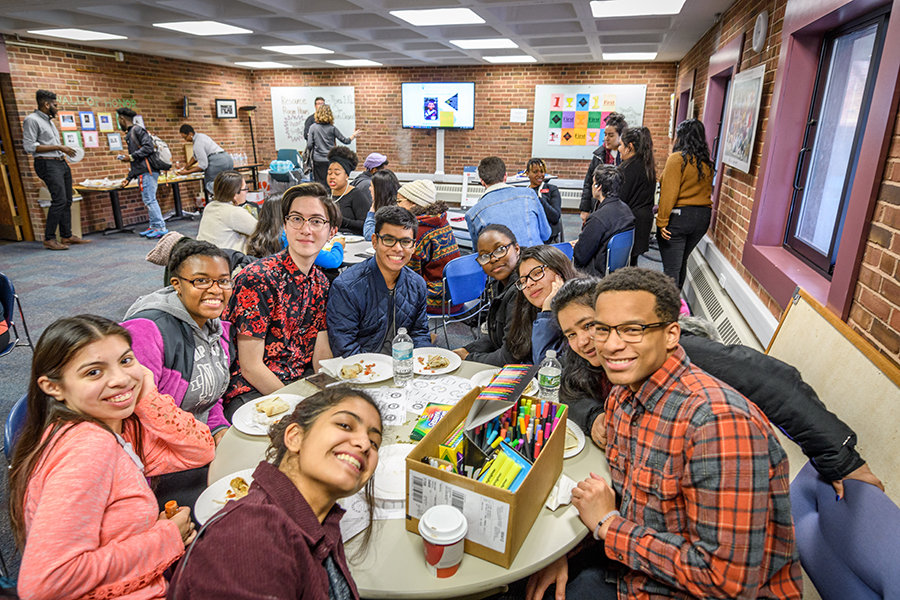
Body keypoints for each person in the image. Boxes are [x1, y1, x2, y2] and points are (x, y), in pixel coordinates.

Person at [527, 267, 803, 600]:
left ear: (672, 335)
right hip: (636, 566)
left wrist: (609, 527)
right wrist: (566, 551)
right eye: (601, 329)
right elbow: (629, 501)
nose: (610, 345)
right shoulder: (623, 397)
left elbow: (725, 583)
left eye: (632, 329)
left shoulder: (718, 425)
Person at [552, 277, 885, 496]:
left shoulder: (680, 353)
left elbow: (773, 383)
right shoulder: (586, 353)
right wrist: (595, 415)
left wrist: (842, 462)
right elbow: (569, 394)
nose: (581, 341)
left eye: (590, 326)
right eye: (570, 333)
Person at [9, 314, 215, 599]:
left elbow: (200, 450)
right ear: (53, 387)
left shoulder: (118, 428)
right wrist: (167, 537)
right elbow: (45, 584)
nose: (120, 379)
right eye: (94, 372)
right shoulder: (88, 448)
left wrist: (146, 396)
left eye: (126, 360)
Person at [166, 386, 382, 599]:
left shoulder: (322, 523)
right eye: (345, 425)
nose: (364, 444)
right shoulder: (250, 539)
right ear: (295, 437)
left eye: (374, 442)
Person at [123, 240, 233, 513]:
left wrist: (218, 428)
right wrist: (204, 443)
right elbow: (137, 416)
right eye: (201, 281)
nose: (215, 290)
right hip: (153, 464)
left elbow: (213, 395)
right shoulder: (146, 331)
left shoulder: (216, 329)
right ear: (176, 284)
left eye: (223, 281)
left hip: (198, 445)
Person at [223, 183, 337, 419]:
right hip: (253, 390)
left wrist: (333, 394)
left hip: (300, 382)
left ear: (331, 232)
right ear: (285, 225)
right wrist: (297, 407)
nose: (306, 229)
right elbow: (251, 367)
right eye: (297, 219)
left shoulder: (322, 283)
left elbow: (321, 353)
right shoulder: (257, 279)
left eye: (316, 221)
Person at [328, 206, 430, 357]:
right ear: (375, 242)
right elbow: (345, 349)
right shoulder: (347, 287)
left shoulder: (417, 284)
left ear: (414, 246)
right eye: (389, 240)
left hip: (404, 367)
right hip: (365, 370)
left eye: (406, 242)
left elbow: (420, 334)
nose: (397, 248)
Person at [22, 89, 86, 251]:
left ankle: (67, 235)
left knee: (67, 199)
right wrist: (58, 146)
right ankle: (49, 239)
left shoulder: (49, 121)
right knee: (59, 200)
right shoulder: (32, 120)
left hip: (60, 162)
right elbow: (29, 147)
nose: (57, 108)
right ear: (46, 104)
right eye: (55, 105)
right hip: (47, 164)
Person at [452, 224, 521, 366]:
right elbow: (498, 335)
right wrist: (467, 349)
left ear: (517, 249)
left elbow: (511, 357)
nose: (493, 259)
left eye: (500, 249)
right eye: (484, 256)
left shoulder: (522, 289)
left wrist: (469, 358)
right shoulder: (498, 284)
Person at [658, 119, 715, 289]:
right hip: (702, 218)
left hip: (679, 217)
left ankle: (669, 310)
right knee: (681, 262)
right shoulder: (706, 163)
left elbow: (669, 193)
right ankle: (676, 308)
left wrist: (661, 222)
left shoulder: (677, 159)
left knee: (671, 268)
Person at [396, 179, 462, 315]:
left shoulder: (418, 231)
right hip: (457, 294)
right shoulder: (441, 221)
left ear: (413, 203)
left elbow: (410, 277)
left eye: (399, 201)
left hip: (438, 299)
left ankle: (405, 334)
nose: (397, 206)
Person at [507, 245, 580, 365]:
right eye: (523, 281)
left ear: (559, 271)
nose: (529, 284)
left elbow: (547, 369)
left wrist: (547, 312)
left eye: (537, 273)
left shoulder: (583, 310)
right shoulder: (528, 308)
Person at [466, 156, 551, 248]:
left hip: (503, 261)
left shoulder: (473, 214)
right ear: (505, 176)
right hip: (538, 259)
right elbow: (546, 234)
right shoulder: (529, 194)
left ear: (482, 181)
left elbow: (480, 251)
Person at [573, 165, 635, 277]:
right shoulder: (626, 210)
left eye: (593, 182)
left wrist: (579, 244)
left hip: (595, 276)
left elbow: (580, 256)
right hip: (615, 274)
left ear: (598, 187)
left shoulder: (597, 218)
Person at [617, 126, 656, 265]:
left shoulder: (628, 169)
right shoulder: (647, 165)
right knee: (632, 263)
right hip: (642, 222)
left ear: (630, 147)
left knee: (624, 265)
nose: (619, 149)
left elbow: (620, 199)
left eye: (621, 145)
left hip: (629, 224)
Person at [579, 112, 627, 223]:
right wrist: (585, 209)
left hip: (616, 208)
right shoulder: (599, 155)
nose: (606, 138)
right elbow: (588, 183)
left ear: (621, 136)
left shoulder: (626, 158)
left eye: (611, 135)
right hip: (598, 205)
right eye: (605, 134)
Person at [197, 171, 258, 252]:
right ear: (234, 194)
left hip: (205, 257)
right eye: (245, 189)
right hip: (227, 261)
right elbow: (261, 231)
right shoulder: (234, 212)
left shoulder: (209, 206)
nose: (246, 192)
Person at [307, 104, 359, 185]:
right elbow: (345, 140)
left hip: (317, 160)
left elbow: (309, 145)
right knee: (330, 181)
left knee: (319, 183)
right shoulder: (332, 128)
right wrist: (354, 135)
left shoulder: (313, 127)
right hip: (330, 159)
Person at [178, 124, 234, 196]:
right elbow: (195, 156)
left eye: (185, 137)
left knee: (211, 184)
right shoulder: (201, 136)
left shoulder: (197, 144)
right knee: (228, 184)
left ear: (190, 134)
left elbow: (203, 166)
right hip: (227, 159)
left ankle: (218, 203)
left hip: (217, 162)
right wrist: (187, 166)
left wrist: (187, 172)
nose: (185, 140)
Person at [326, 146, 371, 236]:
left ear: (347, 176)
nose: (332, 177)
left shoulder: (357, 196)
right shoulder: (325, 194)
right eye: (329, 173)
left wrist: (343, 221)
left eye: (337, 173)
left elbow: (366, 226)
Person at [526, 158, 563, 243]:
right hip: (530, 236)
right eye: (535, 172)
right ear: (527, 174)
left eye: (542, 172)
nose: (539, 175)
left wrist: (539, 200)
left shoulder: (552, 189)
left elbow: (555, 216)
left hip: (550, 238)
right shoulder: (525, 192)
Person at [362, 169, 401, 240]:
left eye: (371, 186)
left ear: (379, 190)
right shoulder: (387, 206)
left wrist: (372, 212)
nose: (369, 189)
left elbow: (369, 235)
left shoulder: (393, 211)